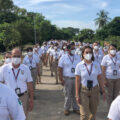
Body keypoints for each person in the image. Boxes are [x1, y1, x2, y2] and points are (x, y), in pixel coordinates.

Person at [0, 48, 34, 119]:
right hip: (8, 98)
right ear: (11, 56)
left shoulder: (26, 69)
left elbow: (30, 85)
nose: (16, 58)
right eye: (14, 56)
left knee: (22, 117)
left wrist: (31, 99)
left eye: (18, 56)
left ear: (21, 57)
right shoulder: (4, 69)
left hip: (22, 98)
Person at [75, 46, 106, 120]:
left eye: (90, 52)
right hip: (83, 91)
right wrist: (77, 95)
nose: (88, 54)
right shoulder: (79, 65)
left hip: (95, 90)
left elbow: (100, 78)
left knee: (93, 114)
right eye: (86, 52)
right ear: (83, 54)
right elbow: (77, 80)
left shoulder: (96, 65)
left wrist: (103, 90)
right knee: (84, 115)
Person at [58, 43, 81, 116]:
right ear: (67, 49)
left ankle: (76, 108)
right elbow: (60, 69)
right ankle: (66, 108)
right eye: (72, 48)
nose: (73, 50)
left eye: (74, 48)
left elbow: (81, 68)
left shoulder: (78, 57)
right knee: (67, 94)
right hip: (67, 78)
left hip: (76, 78)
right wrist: (61, 79)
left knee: (76, 94)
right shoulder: (63, 57)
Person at [101, 44, 120, 109]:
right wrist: (104, 80)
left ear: (116, 50)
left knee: (116, 96)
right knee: (109, 96)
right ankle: (110, 112)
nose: (113, 50)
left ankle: (115, 111)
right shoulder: (105, 57)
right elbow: (103, 70)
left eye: (114, 49)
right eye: (111, 49)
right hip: (109, 79)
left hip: (117, 79)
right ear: (108, 50)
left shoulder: (119, 56)